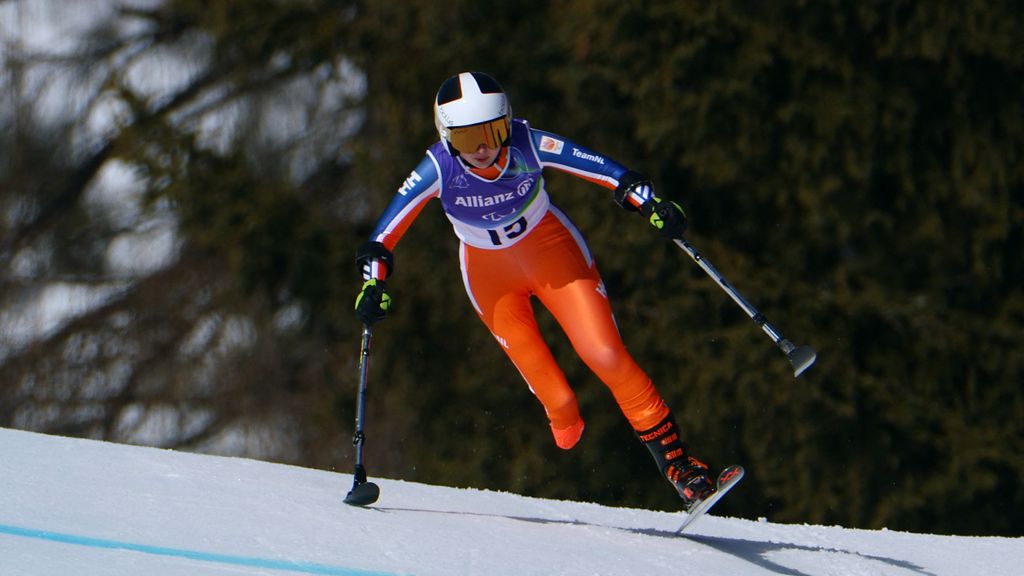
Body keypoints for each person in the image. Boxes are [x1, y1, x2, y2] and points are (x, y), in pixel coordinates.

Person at [353, 71, 715, 509]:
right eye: (469, 140)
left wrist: (647, 201)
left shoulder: (527, 144)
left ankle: (680, 468)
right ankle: (563, 419)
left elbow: (599, 167)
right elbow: (383, 236)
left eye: (493, 132)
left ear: (508, 122)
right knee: (561, 408)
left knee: (606, 356)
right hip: (489, 276)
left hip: (551, 250)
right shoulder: (438, 167)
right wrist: (374, 285)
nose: (484, 148)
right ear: (447, 138)